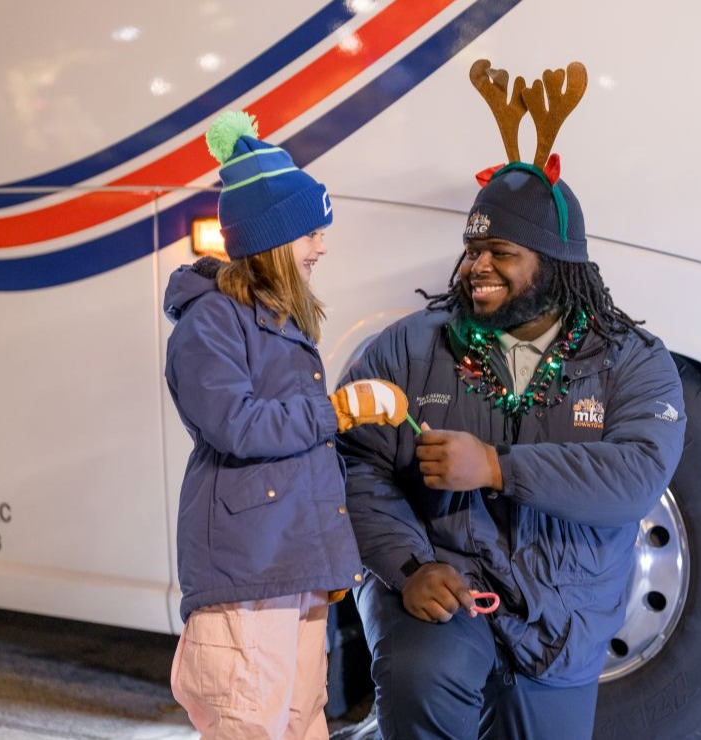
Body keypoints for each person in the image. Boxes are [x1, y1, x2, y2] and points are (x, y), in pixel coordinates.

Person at [336, 61, 686, 739]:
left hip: (563, 618)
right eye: (471, 249)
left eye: (499, 251)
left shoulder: (633, 362)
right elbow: (357, 468)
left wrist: (497, 467)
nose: (476, 266)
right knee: (421, 682)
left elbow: (636, 475)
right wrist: (410, 566)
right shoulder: (407, 350)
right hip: (441, 588)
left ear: (553, 265)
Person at [163, 110, 408, 740]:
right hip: (247, 581)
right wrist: (340, 409)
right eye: (309, 233)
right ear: (272, 238)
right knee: (250, 721)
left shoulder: (280, 321)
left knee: (303, 721)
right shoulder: (210, 323)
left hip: (290, 574)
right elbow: (238, 425)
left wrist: (326, 563)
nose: (321, 246)